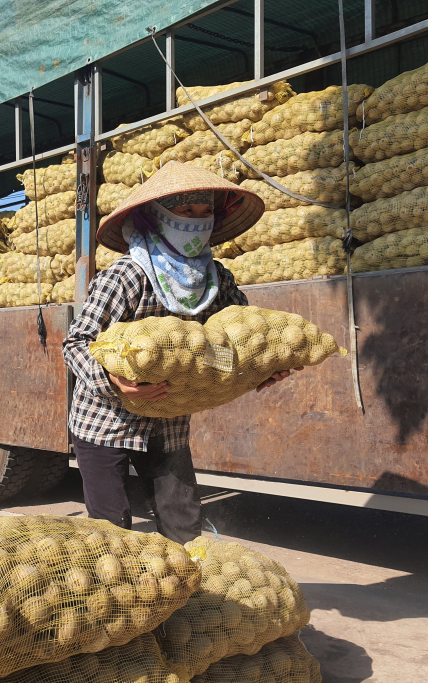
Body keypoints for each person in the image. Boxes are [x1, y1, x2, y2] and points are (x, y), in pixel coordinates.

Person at [62, 160, 301, 545]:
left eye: (205, 212)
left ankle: (187, 596)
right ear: (156, 218)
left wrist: (261, 367)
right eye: (186, 212)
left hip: (168, 421)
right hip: (106, 421)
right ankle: (123, 601)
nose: (198, 221)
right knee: (111, 533)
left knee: (183, 524)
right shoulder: (126, 277)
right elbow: (76, 343)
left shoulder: (215, 279)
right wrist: (114, 381)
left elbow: (240, 339)